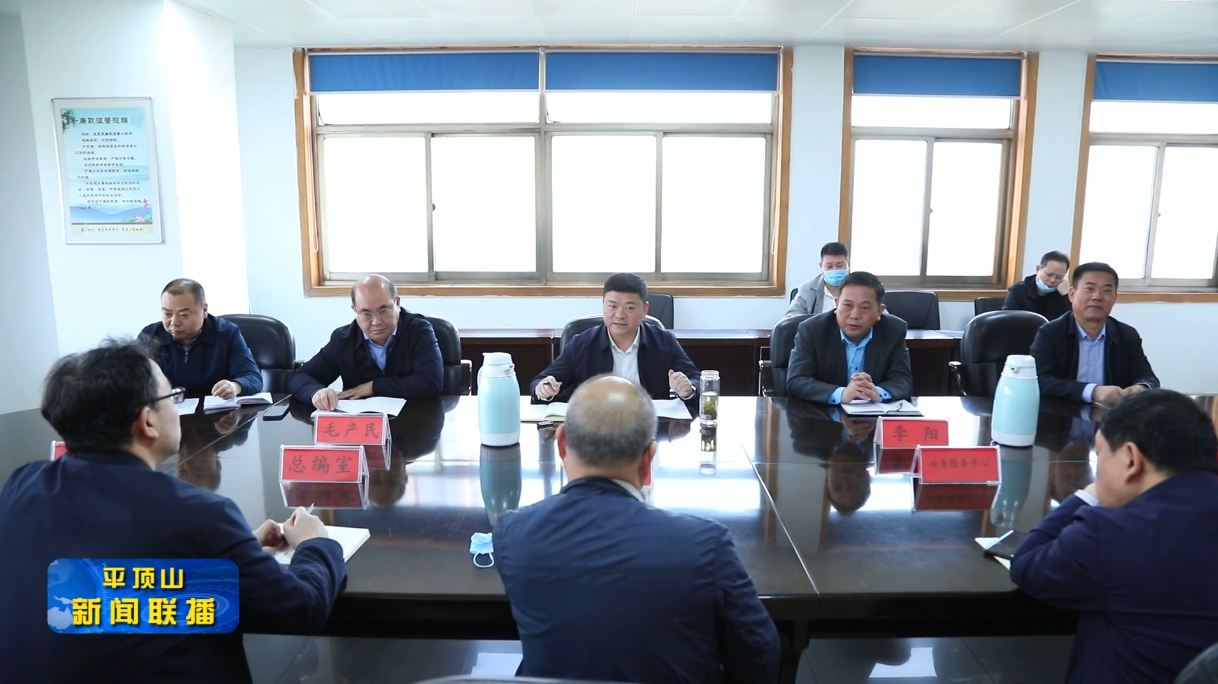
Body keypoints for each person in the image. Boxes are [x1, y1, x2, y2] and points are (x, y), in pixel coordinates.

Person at [0, 339, 346, 683]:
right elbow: (300, 610)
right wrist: (314, 543)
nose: (176, 406)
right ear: (147, 421)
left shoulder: (22, 486)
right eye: (171, 397)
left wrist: (231, 552)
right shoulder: (198, 514)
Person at [495, 375, 781, 683]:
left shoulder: (513, 534)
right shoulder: (705, 545)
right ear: (648, 461)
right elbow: (760, 654)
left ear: (561, 444)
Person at [1011, 389, 1218, 684]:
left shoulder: (1111, 533)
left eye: (1100, 455)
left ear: (1131, 459)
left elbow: (1027, 564)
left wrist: (1090, 493)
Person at [531, 273, 700, 402]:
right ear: (603, 305)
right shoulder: (581, 344)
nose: (619, 315)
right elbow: (541, 381)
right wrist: (544, 388)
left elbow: (697, 380)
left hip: (647, 427)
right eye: (612, 306)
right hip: (595, 428)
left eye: (629, 308)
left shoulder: (664, 342)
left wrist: (689, 389)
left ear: (645, 310)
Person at [288, 274, 443, 410]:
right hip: (361, 426)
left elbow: (431, 382)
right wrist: (317, 392)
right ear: (355, 310)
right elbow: (299, 377)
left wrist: (373, 387)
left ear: (397, 303)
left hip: (414, 421)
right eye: (366, 313)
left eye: (384, 311)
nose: (376, 322)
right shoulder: (343, 340)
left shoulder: (418, 330)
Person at [1028, 262, 1159, 405]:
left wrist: (1141, 388)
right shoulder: (1050, 333)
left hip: (1111, 415)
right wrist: (1093, 392)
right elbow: (1039, 380)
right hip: (1063, 414)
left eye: (1106, 291)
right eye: (1089, 289)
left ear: (1114, 298)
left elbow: (1148, 377)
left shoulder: (1126, 335)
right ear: (1072, 295)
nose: (1097, 296)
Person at [786, 271, 913, 403]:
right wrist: (842, 394)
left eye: (864, 308)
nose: (854, 315)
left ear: (879, 311)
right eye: (847, 305)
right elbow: (796, 381)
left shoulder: (893, 331)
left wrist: (877, 392)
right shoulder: (812, 330)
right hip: (822, 413)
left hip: (874, 413)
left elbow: (903, 381)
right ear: (837, 304)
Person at [139, 278, 262, 398]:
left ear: (204, 310)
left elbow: (252, 377)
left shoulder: (227, 334)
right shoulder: (150, 336)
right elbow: (132, 379)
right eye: (167, 314)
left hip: (217, 409)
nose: (174, 322)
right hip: (169, 409)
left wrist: (235, 386)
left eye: (183, 315)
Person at [785, 241, 850, 317]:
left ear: (848, 264)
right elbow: (790, 318)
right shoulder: (807, 290)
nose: (834, 270)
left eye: (839, 266)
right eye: (829, 266)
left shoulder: (859, 288)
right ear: (821, 266)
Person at [1003, 251, 1071, 321]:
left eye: (1059, 277)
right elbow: (1007, 321)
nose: (1053, 280)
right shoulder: (1018, 290)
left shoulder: (1062, 294)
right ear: (1038, 269)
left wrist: (1066, 296)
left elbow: (1073, 322)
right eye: (1049, 275)